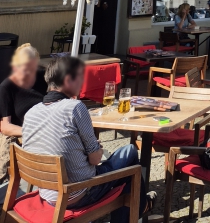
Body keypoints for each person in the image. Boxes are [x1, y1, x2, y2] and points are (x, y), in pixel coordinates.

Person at [22, 57, 153, 222]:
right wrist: (94, 150)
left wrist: (82, 150)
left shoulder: (31, 113)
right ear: (68, 80)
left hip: (47, 193)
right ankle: (141, 207)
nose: (82, 83)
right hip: (77, 193)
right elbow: (96, 159)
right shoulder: (74, 107)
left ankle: (140, 206)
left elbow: (53, 146)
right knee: (130, 152)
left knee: (126, 173)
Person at [0, 44, 42, 189]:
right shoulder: (7, 87)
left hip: (49, 128)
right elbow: (5, 126)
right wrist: (31, 131)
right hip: (23, 134)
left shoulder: (44, 80)